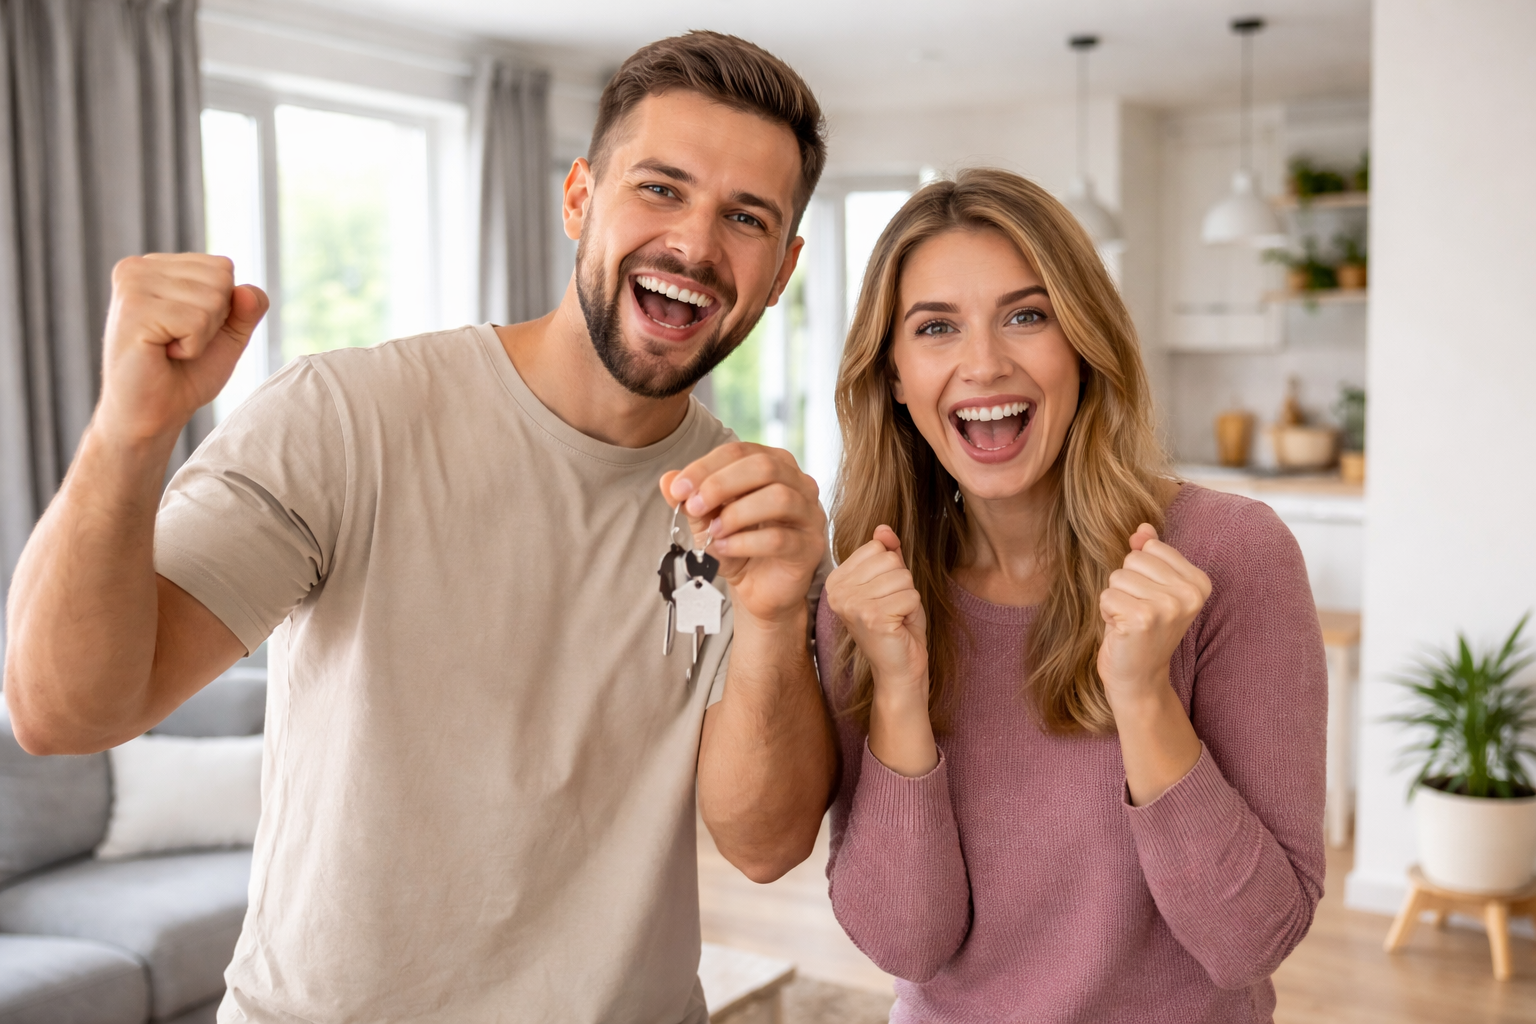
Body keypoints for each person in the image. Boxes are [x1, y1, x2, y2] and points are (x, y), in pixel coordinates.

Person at [4, 32, 837, 1024]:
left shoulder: (748, 521)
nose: (696, 245)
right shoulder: (349, 418)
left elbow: (764, 844)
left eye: (745, 217)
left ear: (782, 268)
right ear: (580, 198)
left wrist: (780, 617)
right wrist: (127, 433)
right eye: (661, 188)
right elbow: (63, 713)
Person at [818, 168, 1326, 1023]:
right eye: (936, 327)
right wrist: (900, 690)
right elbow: (907, 947)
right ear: (896, 377)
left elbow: (1250, 942)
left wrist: (1140, 695)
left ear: (1084, 344)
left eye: (1027, 315)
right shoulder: (871, 595)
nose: (984, 364)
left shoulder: (1233, 557)